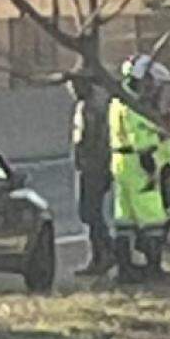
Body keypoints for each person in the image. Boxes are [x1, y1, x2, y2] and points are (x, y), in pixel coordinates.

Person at [109, 55, 170, 283]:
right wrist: (150, 161)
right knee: (152, 216)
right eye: (152, 83)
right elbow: (141, 135)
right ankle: (153, 267)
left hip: (123, 163)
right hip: (138, 164)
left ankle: (125, 268)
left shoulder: (119, 100)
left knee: (124, 217)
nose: (154, 89)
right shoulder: (133, 104)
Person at [70, 76, 114, 276]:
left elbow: (96, 141)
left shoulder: (93, 107)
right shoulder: (86, 105)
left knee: (90, 212)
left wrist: (97, 166)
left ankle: (105, 253)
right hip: (88, 165)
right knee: (88, 213)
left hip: (94, 167)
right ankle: (102, 254)